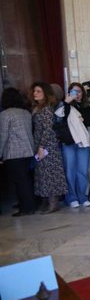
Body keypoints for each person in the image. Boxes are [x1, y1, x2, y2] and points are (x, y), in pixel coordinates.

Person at [30, 82, 68, 214]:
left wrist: (41, 146)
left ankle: (53, 203)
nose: (35, 93)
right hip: (40, 145)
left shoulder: (46, 109)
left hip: (47, 147)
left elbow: (48, 129)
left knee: (50, 174)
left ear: (45, 94)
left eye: (38, 91)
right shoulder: (38, 108)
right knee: (43, 174)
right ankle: (46, 201)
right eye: (34, 91)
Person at [0, 87, 35, 216]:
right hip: (28, 151)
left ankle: (26, 208)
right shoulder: (26, 112)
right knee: (26, 179)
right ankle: (29, 204)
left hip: (13, 153)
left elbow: (3, 135)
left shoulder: (5, 114)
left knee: (19, 181)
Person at [58, 82, 90, 208]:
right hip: (68, 141)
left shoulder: (86, 107)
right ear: (69, 93)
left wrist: (81, 118)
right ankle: (71, 197)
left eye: (79, 91)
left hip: (83, 141)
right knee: (70, 170)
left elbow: (88, 122)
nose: (77, 94)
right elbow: (60, 119)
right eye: (74, 91)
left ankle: (82, 196)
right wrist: (67, 103)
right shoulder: (63, 105)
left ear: (83, 93)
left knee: (82, 170)